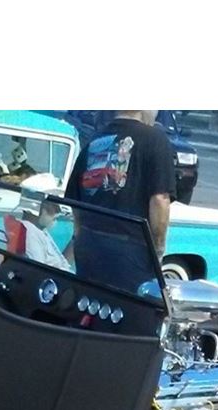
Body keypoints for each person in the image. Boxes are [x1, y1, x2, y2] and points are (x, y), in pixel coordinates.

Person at [64, 110, 176, 296]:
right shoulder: (155, 139)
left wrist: (81, 237)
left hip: (89, 244)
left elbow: (75, 201)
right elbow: (159, 199)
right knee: (126, 316)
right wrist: (158, 248)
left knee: (87, 309)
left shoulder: (95, 139)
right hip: (129, 249)